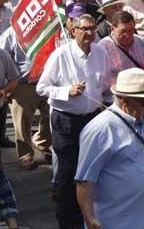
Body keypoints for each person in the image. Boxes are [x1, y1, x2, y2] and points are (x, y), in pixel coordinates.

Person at [37, 13, 111, 228]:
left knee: (91, 169)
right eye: (84, 29)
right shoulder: (60, 56)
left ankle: (88, 215)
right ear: (73, 30)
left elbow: (104, 86)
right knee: (68, 172)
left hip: (92, 119)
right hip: (66, 120)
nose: (89, 33)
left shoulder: (100, 52)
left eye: (92, 29)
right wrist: (66, 91)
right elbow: (42, 88)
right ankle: (68, 221)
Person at [75, 69, 144, 229]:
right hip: (116, 221)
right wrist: (89, 217)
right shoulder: (101, 129)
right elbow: (84, 180)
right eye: (143, 101)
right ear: (123, 99)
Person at [0, 26, 51, 169]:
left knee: (50, 117)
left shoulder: (49, 27)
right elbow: (2, 59)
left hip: (47, 82)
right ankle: (25, 154)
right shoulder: (10, 33)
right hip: (22, 84)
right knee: (22, 122)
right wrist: (6, 88)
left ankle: (41, 142)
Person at [98, 10, 144, 77]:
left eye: (131, 30)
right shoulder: (103, 47)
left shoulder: (142, 43)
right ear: (112, 29)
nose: (127, 35)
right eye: (123, 31)